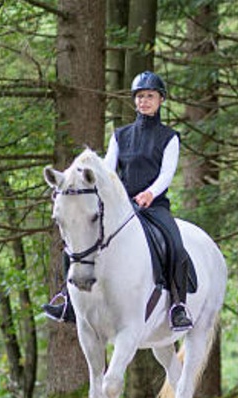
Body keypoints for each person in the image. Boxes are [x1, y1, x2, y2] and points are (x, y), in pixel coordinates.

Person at [43, 70, 193, 331]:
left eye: (149, 96)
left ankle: (177, 306)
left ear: (160, 100)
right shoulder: (120, 136)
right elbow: (108, 171)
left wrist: (150, 193)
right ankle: (67, 300)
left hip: (153, 206)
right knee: (77, 240)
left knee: (175, 246)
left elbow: (167, 174)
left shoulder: (169, 137)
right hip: (123, 208)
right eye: (139, 96)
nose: (144, 101)